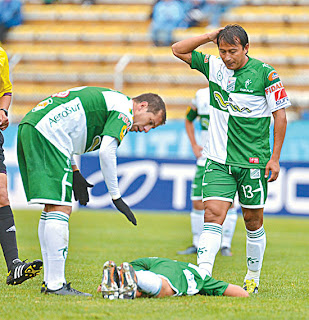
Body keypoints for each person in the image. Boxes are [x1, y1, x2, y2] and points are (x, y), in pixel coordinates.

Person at [172, 24, 290, 293]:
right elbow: (177, 49)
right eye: (222, 51)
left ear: (246, 48)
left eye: (232, 51)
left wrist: (275, 158)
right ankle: (202, 276)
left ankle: (253, 276)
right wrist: (207, 36)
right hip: (217, 160)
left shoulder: (266, 74)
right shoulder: (214, 67)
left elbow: (280, 116)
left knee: (252, 220)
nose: (227, 57)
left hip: (252, 163)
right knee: (212, 214)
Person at [17, 86, 166, 296]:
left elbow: (67, 126)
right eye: (150, 122)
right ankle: (55, 285)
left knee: (52, 207)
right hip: (48, 133)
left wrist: (75, 170)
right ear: (142, 105)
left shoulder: (112, 100)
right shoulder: (124, 110)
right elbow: (107, 151)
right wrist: (116, 196)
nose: (147, 129)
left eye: (153, 127)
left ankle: (51, 281)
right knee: (61, 208)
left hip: (34, 125)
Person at [0, 46, 42, 285]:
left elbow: (5, 90)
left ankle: (14, 265)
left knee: (2, 195)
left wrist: (3, 109)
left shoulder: (1, 55)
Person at [177, 87, 237, 256]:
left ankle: (225, 244)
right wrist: (194, 144)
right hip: (205, 159)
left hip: (228, 159)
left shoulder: (237, 92)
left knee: (229, 203)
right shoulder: (200, 95)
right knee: (197, 201)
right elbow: (188, 119)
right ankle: (197, 243)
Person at [98, 257, 249, 299]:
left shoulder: (155, 260)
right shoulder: (202, 276)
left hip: (151, 265)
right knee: (165, 288)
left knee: (135, 277)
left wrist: (102, 286)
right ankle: (135, 284)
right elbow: (242, 293)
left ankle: (129, 282)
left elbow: (130, 266)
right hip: (171, 277)